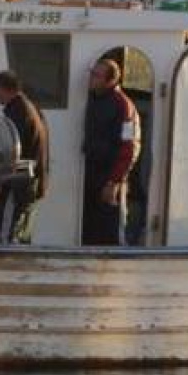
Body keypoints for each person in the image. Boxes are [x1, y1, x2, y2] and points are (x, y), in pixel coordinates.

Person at [0, 70, 50, 243]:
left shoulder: (17, 113)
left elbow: (15, 154)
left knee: (6, 236)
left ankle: (2, 266)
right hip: (32, 182)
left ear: (1, 89)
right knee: (21, 234)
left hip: (18, 185)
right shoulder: (31, 108)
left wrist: (0, 183)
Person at [81, 58, 141, 246]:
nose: (91, 78)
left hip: (109, 176)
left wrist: (114, 181)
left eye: (96, 75)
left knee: (112, 228)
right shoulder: (92, 99)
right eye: (92, 73)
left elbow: (129, 146)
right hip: (90, 172)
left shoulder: (123, 106)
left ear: (109, 81)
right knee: (90, 227)